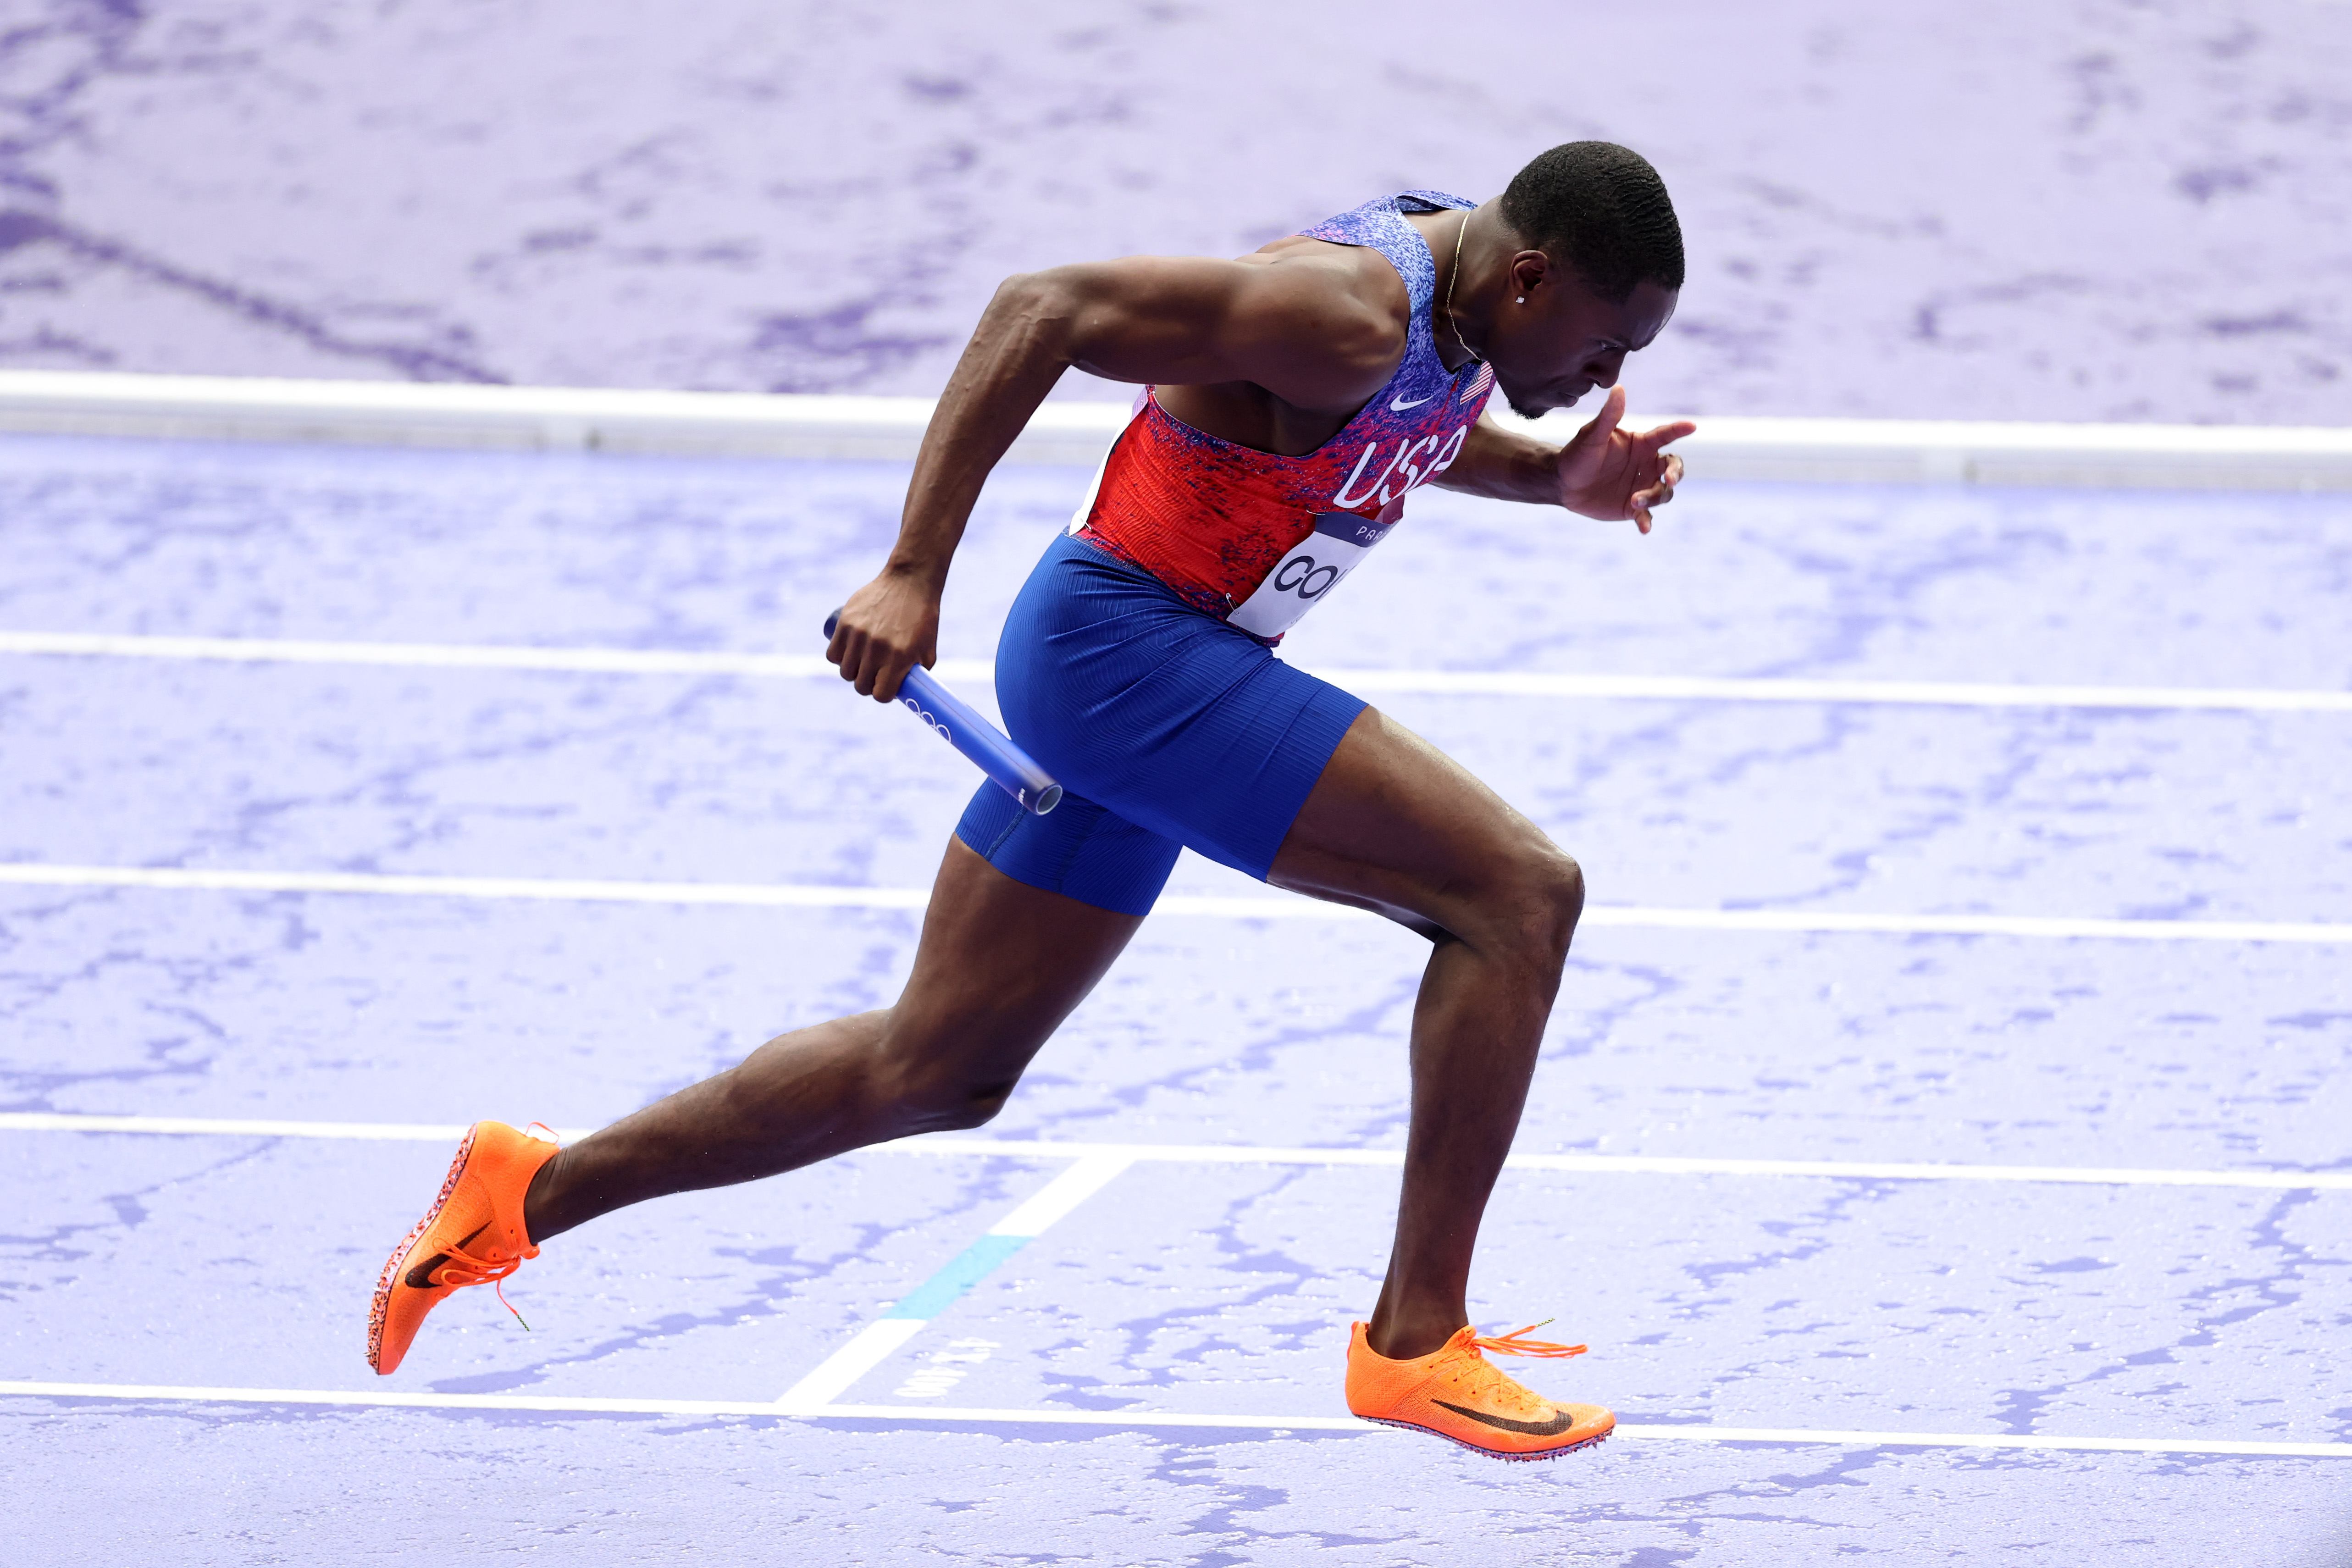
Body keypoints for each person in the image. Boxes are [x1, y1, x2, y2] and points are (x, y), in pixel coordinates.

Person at [367, 140, 1691, 1462]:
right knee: (1518, 893)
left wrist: (1546, 478)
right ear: (1527, 279)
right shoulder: (1342, 310)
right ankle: (1415, 1338)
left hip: (1155, 667)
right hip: (1128, 661)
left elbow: (1392, 430)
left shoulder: (1465, 312)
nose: (1604, 381)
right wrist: (909, 569)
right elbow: (1037, 308)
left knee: (935, 1068)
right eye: (1601, 345)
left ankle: (523, 1189)